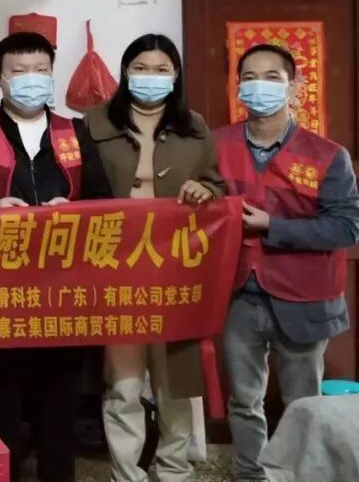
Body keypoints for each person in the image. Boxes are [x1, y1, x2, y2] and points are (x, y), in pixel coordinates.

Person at [0, 30, 111, 482]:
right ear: (0, 78)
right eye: (19, 71)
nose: (30, 79)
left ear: (51, 74)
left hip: (63, 289)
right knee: (2, 402)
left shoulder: (74, 131)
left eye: (40, 70)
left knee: (60, 404)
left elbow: (104, 202)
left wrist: (73, 211)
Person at [83, 33, 226, 482]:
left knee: (175, 381)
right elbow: (78, 186)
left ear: (175, 75)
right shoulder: (94, 122)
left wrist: (205, 189)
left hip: (175, 267)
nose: (151, 77)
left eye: (161, 69)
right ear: (125, 72)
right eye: (141, 68)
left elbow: (217, 184)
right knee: (123, 382)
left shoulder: (194, 126)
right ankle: (126, 473)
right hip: (116, 266)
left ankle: (174, 469)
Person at [215, 44, 359, 482]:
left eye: (272, 77)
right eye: (249, 77)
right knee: (244, 401)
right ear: (237, 86)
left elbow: (346, 228)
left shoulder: (327, 155)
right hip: (238, 296)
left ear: (294, 87)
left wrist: (272, 226)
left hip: (305, 298)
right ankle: (251, 476)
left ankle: (301, 476)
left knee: (303, 406)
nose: (259, 86)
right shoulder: (216, 145)